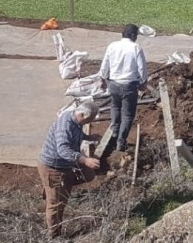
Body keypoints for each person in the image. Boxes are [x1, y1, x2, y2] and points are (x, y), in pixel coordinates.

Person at [37, 102, 101, 238]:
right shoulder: (65, 125)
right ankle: (53, 236)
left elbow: (76, 132)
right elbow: (63, 150)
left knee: (87, 175)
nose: (91, 121)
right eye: (90, 119)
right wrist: (85, 160)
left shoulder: (75, 119)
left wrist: (88, 137)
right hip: (53, 167)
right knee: (55, 204)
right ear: (82, 114)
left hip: (65, 166)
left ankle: (52, 188)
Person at [100, 24, 148, 152]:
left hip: (114, 84)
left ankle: (114, 133)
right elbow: (142, 67)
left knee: (115, 107)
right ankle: (121, 141)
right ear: (132, 35)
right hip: (129, 86)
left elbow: (105, 64)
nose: (137, 37)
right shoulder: (136, 48)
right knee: (127, 115)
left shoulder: (112, 46)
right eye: (136, 35)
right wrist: (143, 82)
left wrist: (102, 80)